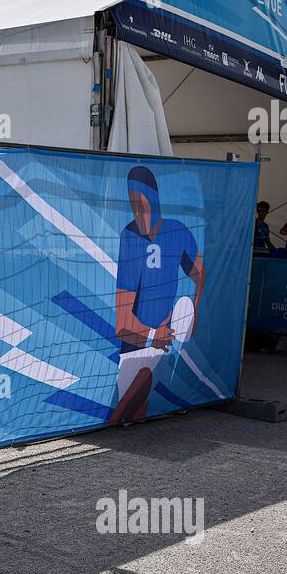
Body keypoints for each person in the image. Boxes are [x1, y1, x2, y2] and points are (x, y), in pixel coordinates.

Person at [108, 165, 205, 425]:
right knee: (123, 414)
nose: (138, 213)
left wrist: (192, 311)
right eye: (133, 206)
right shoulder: (129, 237)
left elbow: (199, 273)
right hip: (136, 349)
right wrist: (153, 337)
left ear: (155, 199)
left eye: (142, 204)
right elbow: (121, 324)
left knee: (141, 413)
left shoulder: (177, 232)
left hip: (164, 343)